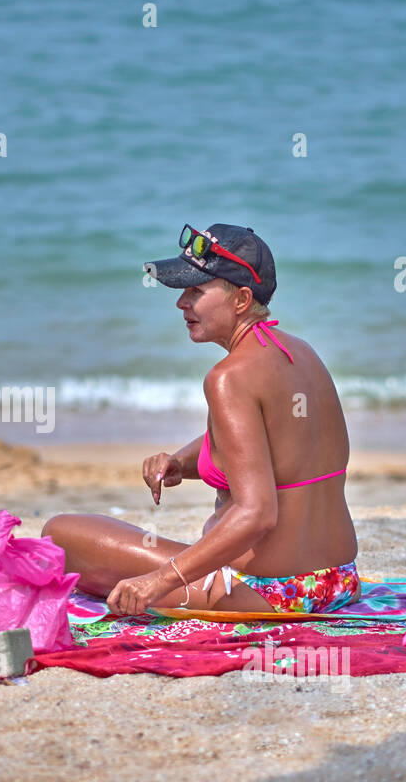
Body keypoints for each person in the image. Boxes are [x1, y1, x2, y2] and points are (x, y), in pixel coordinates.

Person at [43, 223, 360, 617]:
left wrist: (159, 581)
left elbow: (257, 514)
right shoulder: (301, 353)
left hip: (271, 593)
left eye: (195, 291)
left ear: (242, 299)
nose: (181, 303)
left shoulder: (228, 377)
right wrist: (181, 461)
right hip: (337, 581)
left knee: (61, 536)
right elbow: (274, 440)